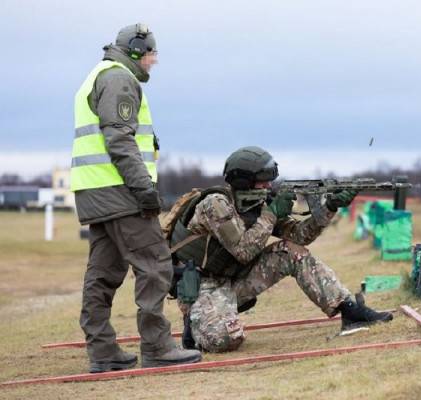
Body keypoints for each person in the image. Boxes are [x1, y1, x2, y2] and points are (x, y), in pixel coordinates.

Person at [170, 146, 393, 353]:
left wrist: (328, 208)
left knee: (291, 252)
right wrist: (271, 214)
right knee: (226, 340)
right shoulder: (215, 204)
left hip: (233, 279)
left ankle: (350, 310)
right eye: (263, 182)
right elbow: (243, 251)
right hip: (201, 285)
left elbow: (299, 236)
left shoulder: (258, 204)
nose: (268, 186)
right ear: (244, 181)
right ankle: (195, 320)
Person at [71, 23, 201, 372]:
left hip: (97, 193)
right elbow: (120, 140)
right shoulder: (118, 79)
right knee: (155, 264)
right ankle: (157, 346)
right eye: (150, 54)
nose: (153, 61)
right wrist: (144, 190)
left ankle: (103, 351)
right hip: (120, 193)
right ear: (134, 52)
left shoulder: (99, 74)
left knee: (104, 272)